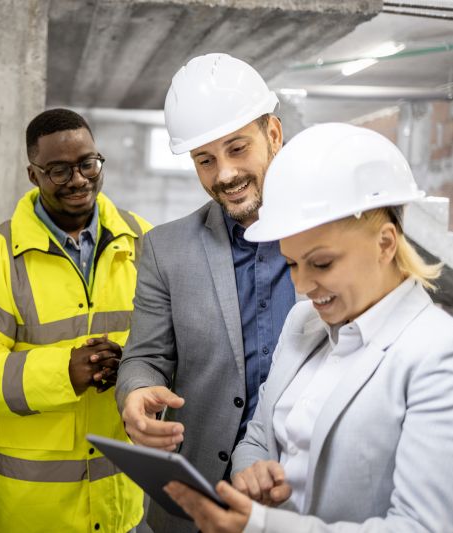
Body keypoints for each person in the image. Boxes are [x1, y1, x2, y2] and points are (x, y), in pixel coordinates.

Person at [164, 123, 453, 532]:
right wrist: (253, 471)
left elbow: (421, 528)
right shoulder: (303, 323)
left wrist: (261, 525)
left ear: (385, 243)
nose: (302, 285)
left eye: (322, 263)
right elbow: (258, 436)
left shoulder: (445, 353)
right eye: (292, 263)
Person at [0, 108, 150, 533]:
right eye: (58, 169)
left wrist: (130, 361)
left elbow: (176, 339)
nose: (78, 179)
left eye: (88, 163)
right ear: (33, 175)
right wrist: (62, 371)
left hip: (122, 503)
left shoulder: (144, 241)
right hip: (32, 512)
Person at [115, 53, 295, 532]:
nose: (224, 175)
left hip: (303, 499)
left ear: (273, 135)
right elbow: (144, 356)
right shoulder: (164, 249)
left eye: (238, 149)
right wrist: (134, 394)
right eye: (205, 160)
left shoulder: (329, 242)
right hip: (195, 506)